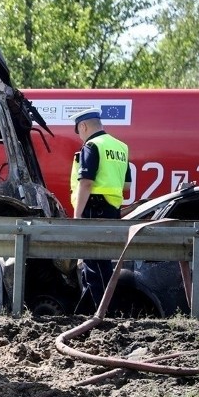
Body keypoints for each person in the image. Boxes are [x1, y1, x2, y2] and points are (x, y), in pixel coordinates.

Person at [70, 108, 131, 308]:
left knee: (95, 265)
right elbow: (127, 186)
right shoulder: (121, 147)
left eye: (78, 131)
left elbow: (85, 183)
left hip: (93, 208)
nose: (80, 135)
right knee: (99, 264)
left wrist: (77, 216)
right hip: (112, 209)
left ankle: (105, 315)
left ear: (83, 126)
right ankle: (86, 312)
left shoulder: (92, 145)